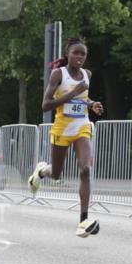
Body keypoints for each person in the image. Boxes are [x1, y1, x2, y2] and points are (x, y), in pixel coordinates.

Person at [28, 36, 104, 237]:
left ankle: (83, 220)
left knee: (85, 169)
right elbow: (46, 105)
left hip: (81, 127)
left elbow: (83, 99)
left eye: (83, 54)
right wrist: (73, 93)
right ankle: (42, 171)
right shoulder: (58, 74)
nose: (79, 56)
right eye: (76, 53)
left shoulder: (87, 74)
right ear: (67, 54)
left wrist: (91, 104)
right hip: (62, 128)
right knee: (56, 174)